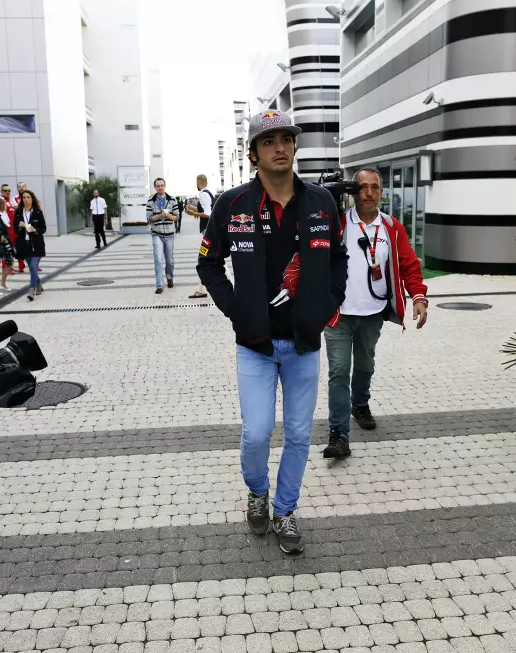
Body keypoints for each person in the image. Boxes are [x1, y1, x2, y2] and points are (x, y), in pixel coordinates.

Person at [197, 109, 347, 554]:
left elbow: (338, 257)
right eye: (269, 141)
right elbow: (208, 263)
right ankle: (257, 491)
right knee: (257, 432)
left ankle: (285, 510)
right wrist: (236, 310)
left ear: (295, 147)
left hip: (304, 344)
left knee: (300, 436)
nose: (280, 146)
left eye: (286, 138)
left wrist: (328, 303)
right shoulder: (232, 204)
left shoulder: (321, 202)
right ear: (253, 154)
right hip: (256, 345)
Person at [322, 168, 429, 460]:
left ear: (381, 192)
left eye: (374, 187)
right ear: (354, 191)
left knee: (365, 366)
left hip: (373, 313)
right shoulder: (339, 224)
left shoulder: (392, 227)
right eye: (362, 187)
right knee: (339, 371)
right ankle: (339, 433)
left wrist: (418, 297)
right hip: (339, 314)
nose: (368, 192)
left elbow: (409, 265)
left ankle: (360, 404)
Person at [185, 175, 216, 298]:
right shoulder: (208, 193)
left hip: (207, 231)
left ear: (198, 182)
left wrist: (193, 213)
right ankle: (202, 289)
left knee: (204, 258)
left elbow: (208, 214)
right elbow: (205, 209)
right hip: (209, 231)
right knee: (207, 258)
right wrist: (193, 209)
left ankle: (203, 289)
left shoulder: (203, 194)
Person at [14, 190, 47, 301]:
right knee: (32, 269)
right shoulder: (18, 212)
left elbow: (43, 228)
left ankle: (31, 289)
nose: (26, 199)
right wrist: (19, 226)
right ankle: (39, 285)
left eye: (28, 197)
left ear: (32, 199)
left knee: (33, 266)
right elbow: (14, 228)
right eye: (24, 197)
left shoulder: (37, 212)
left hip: (36, 244)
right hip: (24, 245)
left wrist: (35, 230)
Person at [146, 178, 177, 294]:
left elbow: (176, 217)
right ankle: (159, 285)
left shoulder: (172, 200)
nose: (160, 187)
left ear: (165, 186)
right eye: (158, 186)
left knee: (170, 261)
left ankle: (169, 278)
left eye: (162, 185)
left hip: (169, 233)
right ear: (155, 187)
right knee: (158, 259)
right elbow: (149, 218)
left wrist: (168, 216)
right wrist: (159, 216)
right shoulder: (151, 200)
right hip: (156, 233)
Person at [0, 184, 22, 275]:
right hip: (6, 229)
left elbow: (16, 207)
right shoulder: (1, 201)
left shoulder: (9, 201)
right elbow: (1, 215)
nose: (7, 192)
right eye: (5, 191)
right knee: (6, 249)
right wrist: (8, 226)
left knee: (11, 248)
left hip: (12, 228)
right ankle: (6, 268)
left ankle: (10, 267)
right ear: (1, 192)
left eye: (9, 190)